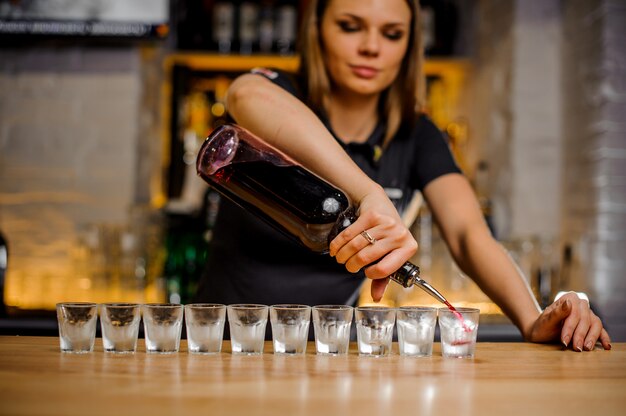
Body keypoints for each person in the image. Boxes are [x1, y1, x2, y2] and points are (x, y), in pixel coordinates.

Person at [194, 0, 611, 351]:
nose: (371, 47)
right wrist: (369, 193)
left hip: (325, 353)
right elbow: (245, 95)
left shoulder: (417, 136)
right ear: (317, 28)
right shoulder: (282, 93)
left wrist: (532, 319)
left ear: (410, 44)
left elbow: (470, 236)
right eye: (350, 27)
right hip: (224, 343)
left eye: (392, 34)